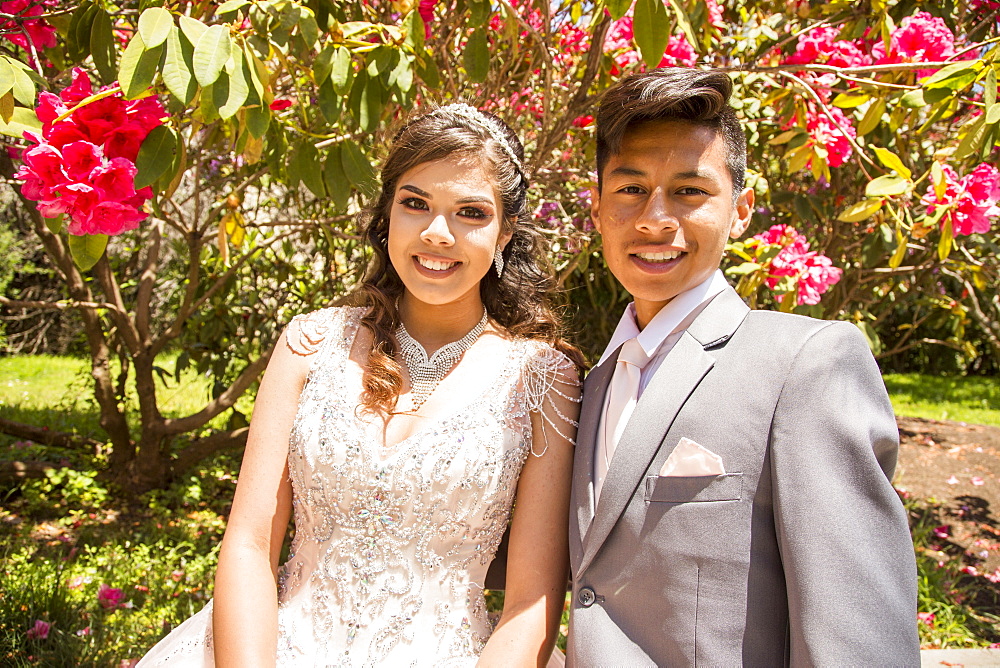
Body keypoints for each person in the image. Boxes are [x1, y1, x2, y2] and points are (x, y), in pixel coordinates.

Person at [138, 103, 583, 667]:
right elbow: (249, 546)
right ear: (387, 214)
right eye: (415, 203)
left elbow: (531, 603)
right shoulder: (308, 343)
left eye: (470, 212)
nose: (437, 232)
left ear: (505, 231)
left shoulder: (543, 379)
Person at [566, 68, 921, 666]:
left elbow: (857, 631)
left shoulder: (806, 363)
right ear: (598, 209)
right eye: (629, 190)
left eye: (690, 191)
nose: (655, 218)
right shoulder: (589, 385)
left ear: (742, 209)